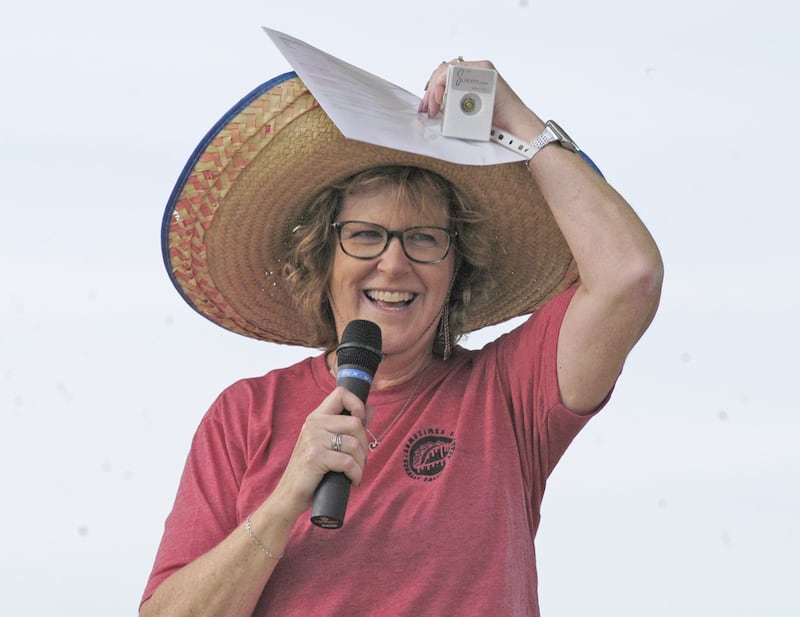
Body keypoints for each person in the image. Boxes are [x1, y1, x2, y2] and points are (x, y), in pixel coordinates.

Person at [140, 56, 663, 617]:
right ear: (323, 257)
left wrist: (518, 123)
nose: (393, 264)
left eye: (423, 239)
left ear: (457, 267)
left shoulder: (508, 395)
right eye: (365, 236)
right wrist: (286, 497)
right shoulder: (245, 414)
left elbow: (629, 275)